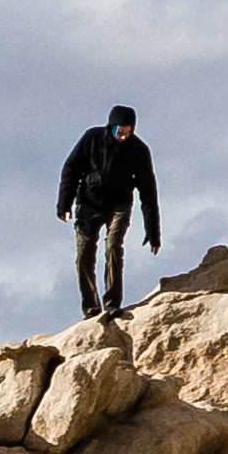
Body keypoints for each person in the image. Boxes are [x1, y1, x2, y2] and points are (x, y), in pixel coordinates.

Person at [55, 107, 159, 319]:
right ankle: (91, 309)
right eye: (119, 132)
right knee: (84, 256)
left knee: (113, 247)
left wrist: (153, 231)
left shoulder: (139, 150)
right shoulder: (92, 138)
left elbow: (148, 192)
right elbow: (71, 169)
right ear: (110, 127)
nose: (123, 137)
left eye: (128, 132)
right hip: (88, 203)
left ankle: (112, 302)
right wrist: (63, 204)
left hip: (119, 205)